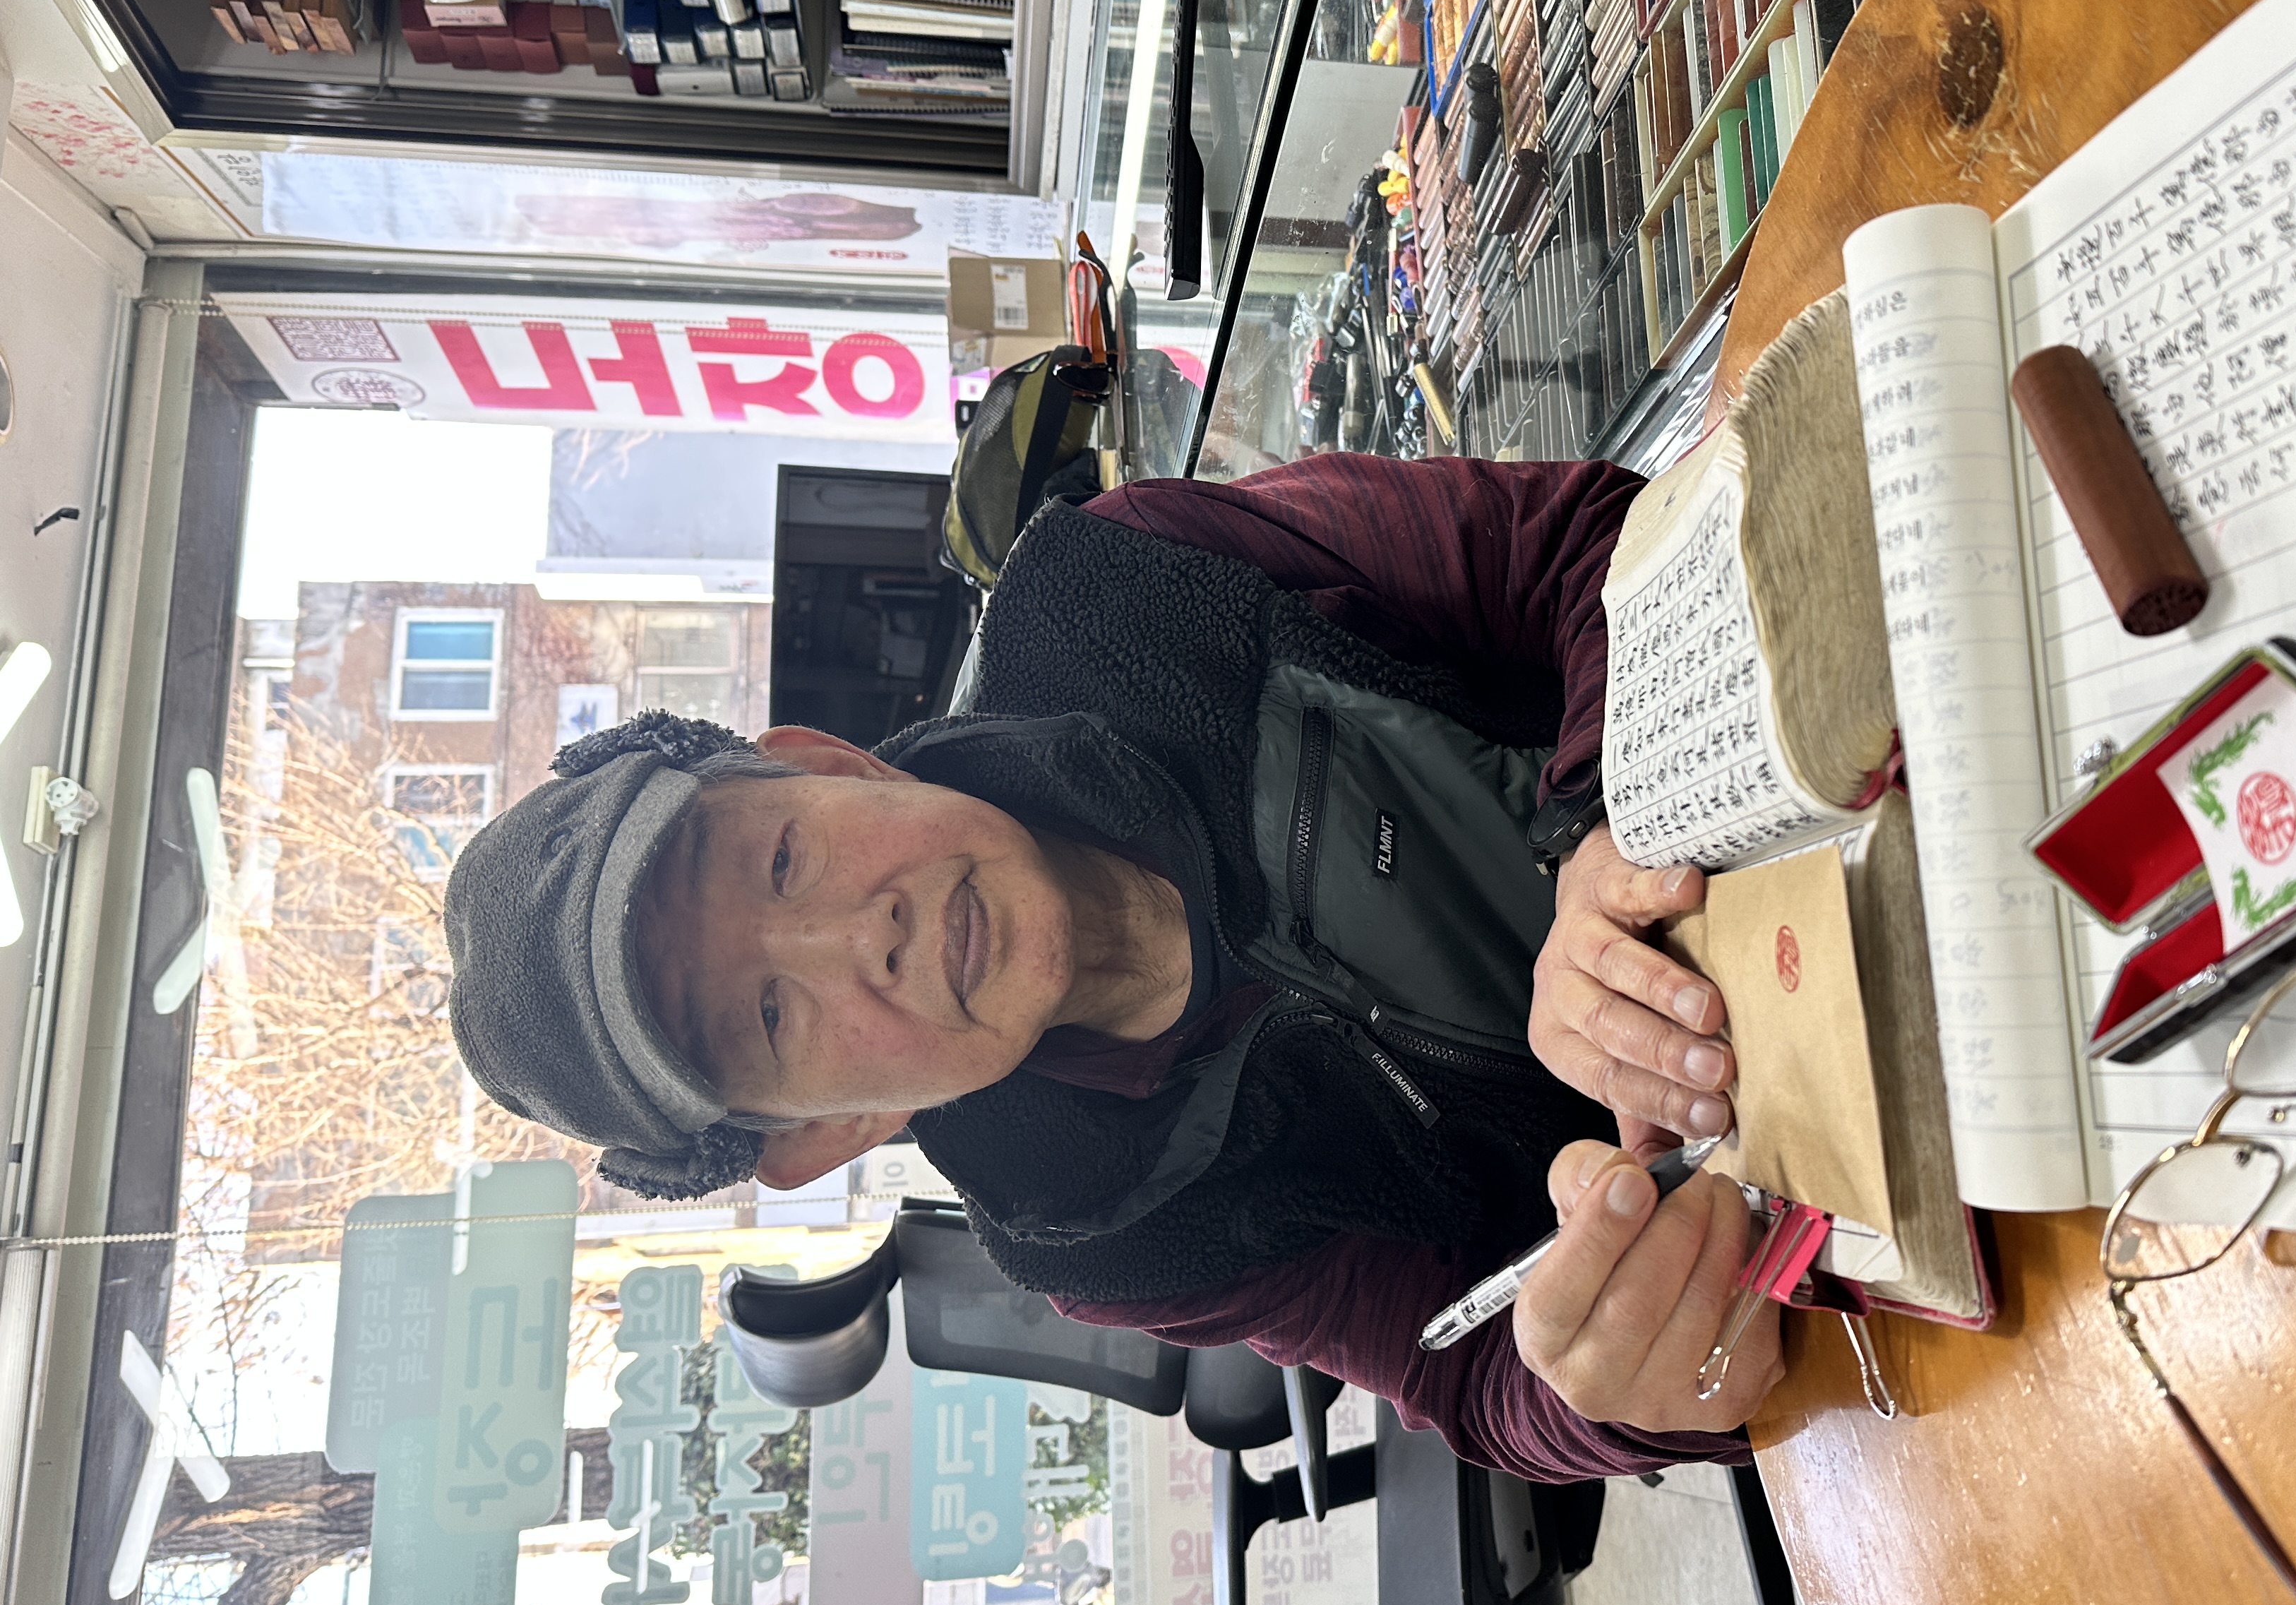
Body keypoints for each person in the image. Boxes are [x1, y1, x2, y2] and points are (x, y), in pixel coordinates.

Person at [444, 454, 1783, 1481]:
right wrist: (1608, 1383)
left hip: (1814, 808)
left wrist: (1603, 816)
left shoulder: (1120, 589)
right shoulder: (1099, 1230)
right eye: (772, 1017)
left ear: (821, 764)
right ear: (828, 1134)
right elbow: (1471, 1378)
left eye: (783, 860)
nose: (866, 937)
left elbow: (1581, 542)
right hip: (1811, 1186)